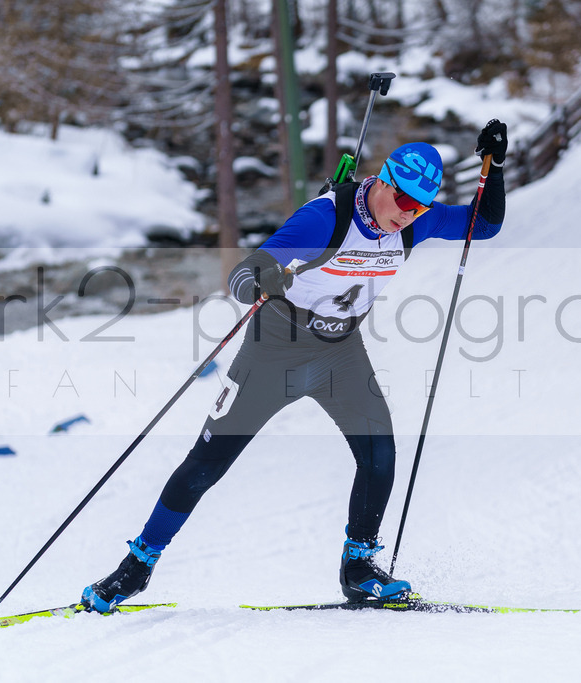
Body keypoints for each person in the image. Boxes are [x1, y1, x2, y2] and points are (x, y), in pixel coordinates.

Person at [82, 120, 509, 612]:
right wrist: (260, 281)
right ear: (385, 181)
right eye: (406, 201)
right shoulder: (324, 218)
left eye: (422, 207)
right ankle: (136, 567)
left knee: (380, 456)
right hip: (275, 351)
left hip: (339, 352)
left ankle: (359, 567)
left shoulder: (417, 221)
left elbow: (487, 223)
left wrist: (493, 167)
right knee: (207, 464)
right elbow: (243, 272)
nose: (411, 215)